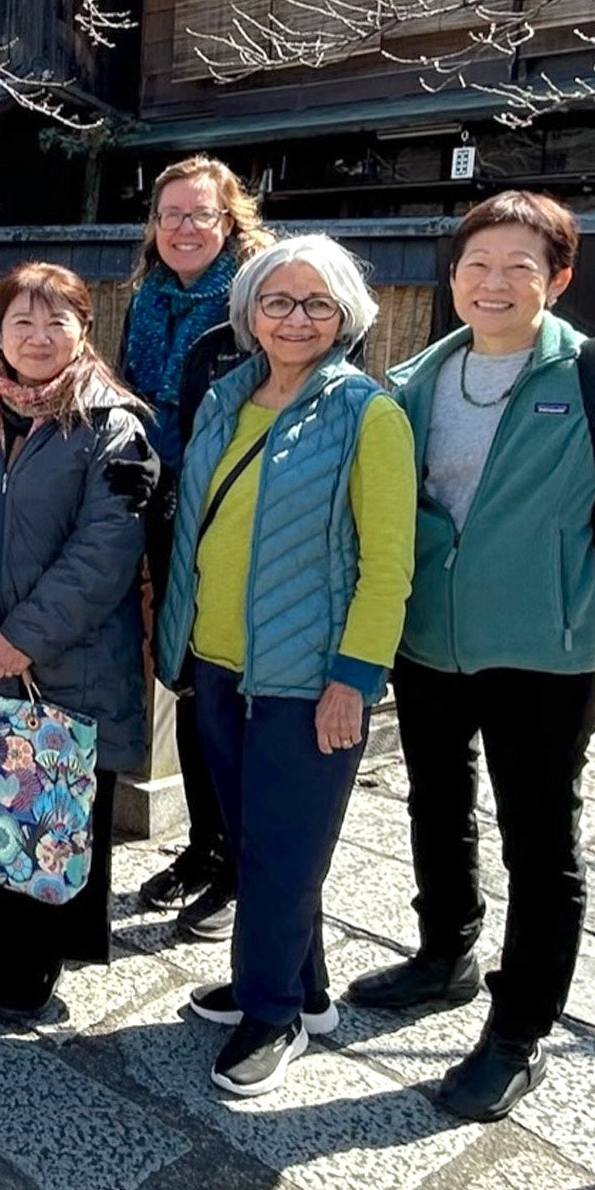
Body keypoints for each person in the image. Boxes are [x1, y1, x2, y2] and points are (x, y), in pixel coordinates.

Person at [345, 192, 595, 1121]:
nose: (495, 281)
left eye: (520, 264)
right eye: (477, 264)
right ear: (454, 276)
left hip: (544, 647)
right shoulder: (422, 376)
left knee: (541, 843)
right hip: (429, 639)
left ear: (559, 276)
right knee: (437, 802)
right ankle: (445, 954)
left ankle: (520, 1032)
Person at [154, 235, 415, 1098]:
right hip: (219, 663)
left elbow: (389, 565)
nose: (295, 318)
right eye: (277, 301)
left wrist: (355, 678)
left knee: (281, 852)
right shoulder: (229, 398)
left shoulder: (366, 413)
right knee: (262, 843)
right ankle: (303, 990)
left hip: (307, 678)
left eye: (316, 304)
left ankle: (271, 1017)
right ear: (249, 312)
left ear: (345, 316)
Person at [0, 263, 156, 1018]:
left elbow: (106, 550)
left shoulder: (112, 426)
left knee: (62, 812)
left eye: (55, 321)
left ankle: (43, 956)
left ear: (83, 329)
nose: (36, 336)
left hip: (73, 653)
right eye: (21, 320)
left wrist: (23, 637)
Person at [118, 155, 272, 944]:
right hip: (160, 502)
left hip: (231, 513)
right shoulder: (148, 296)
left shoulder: (253, 303)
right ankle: (206, 847)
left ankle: (241, 867)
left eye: (199, 214)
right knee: (183, 676)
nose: (183, 228)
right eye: (170, 214)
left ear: (228, 221)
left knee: (229, 685)